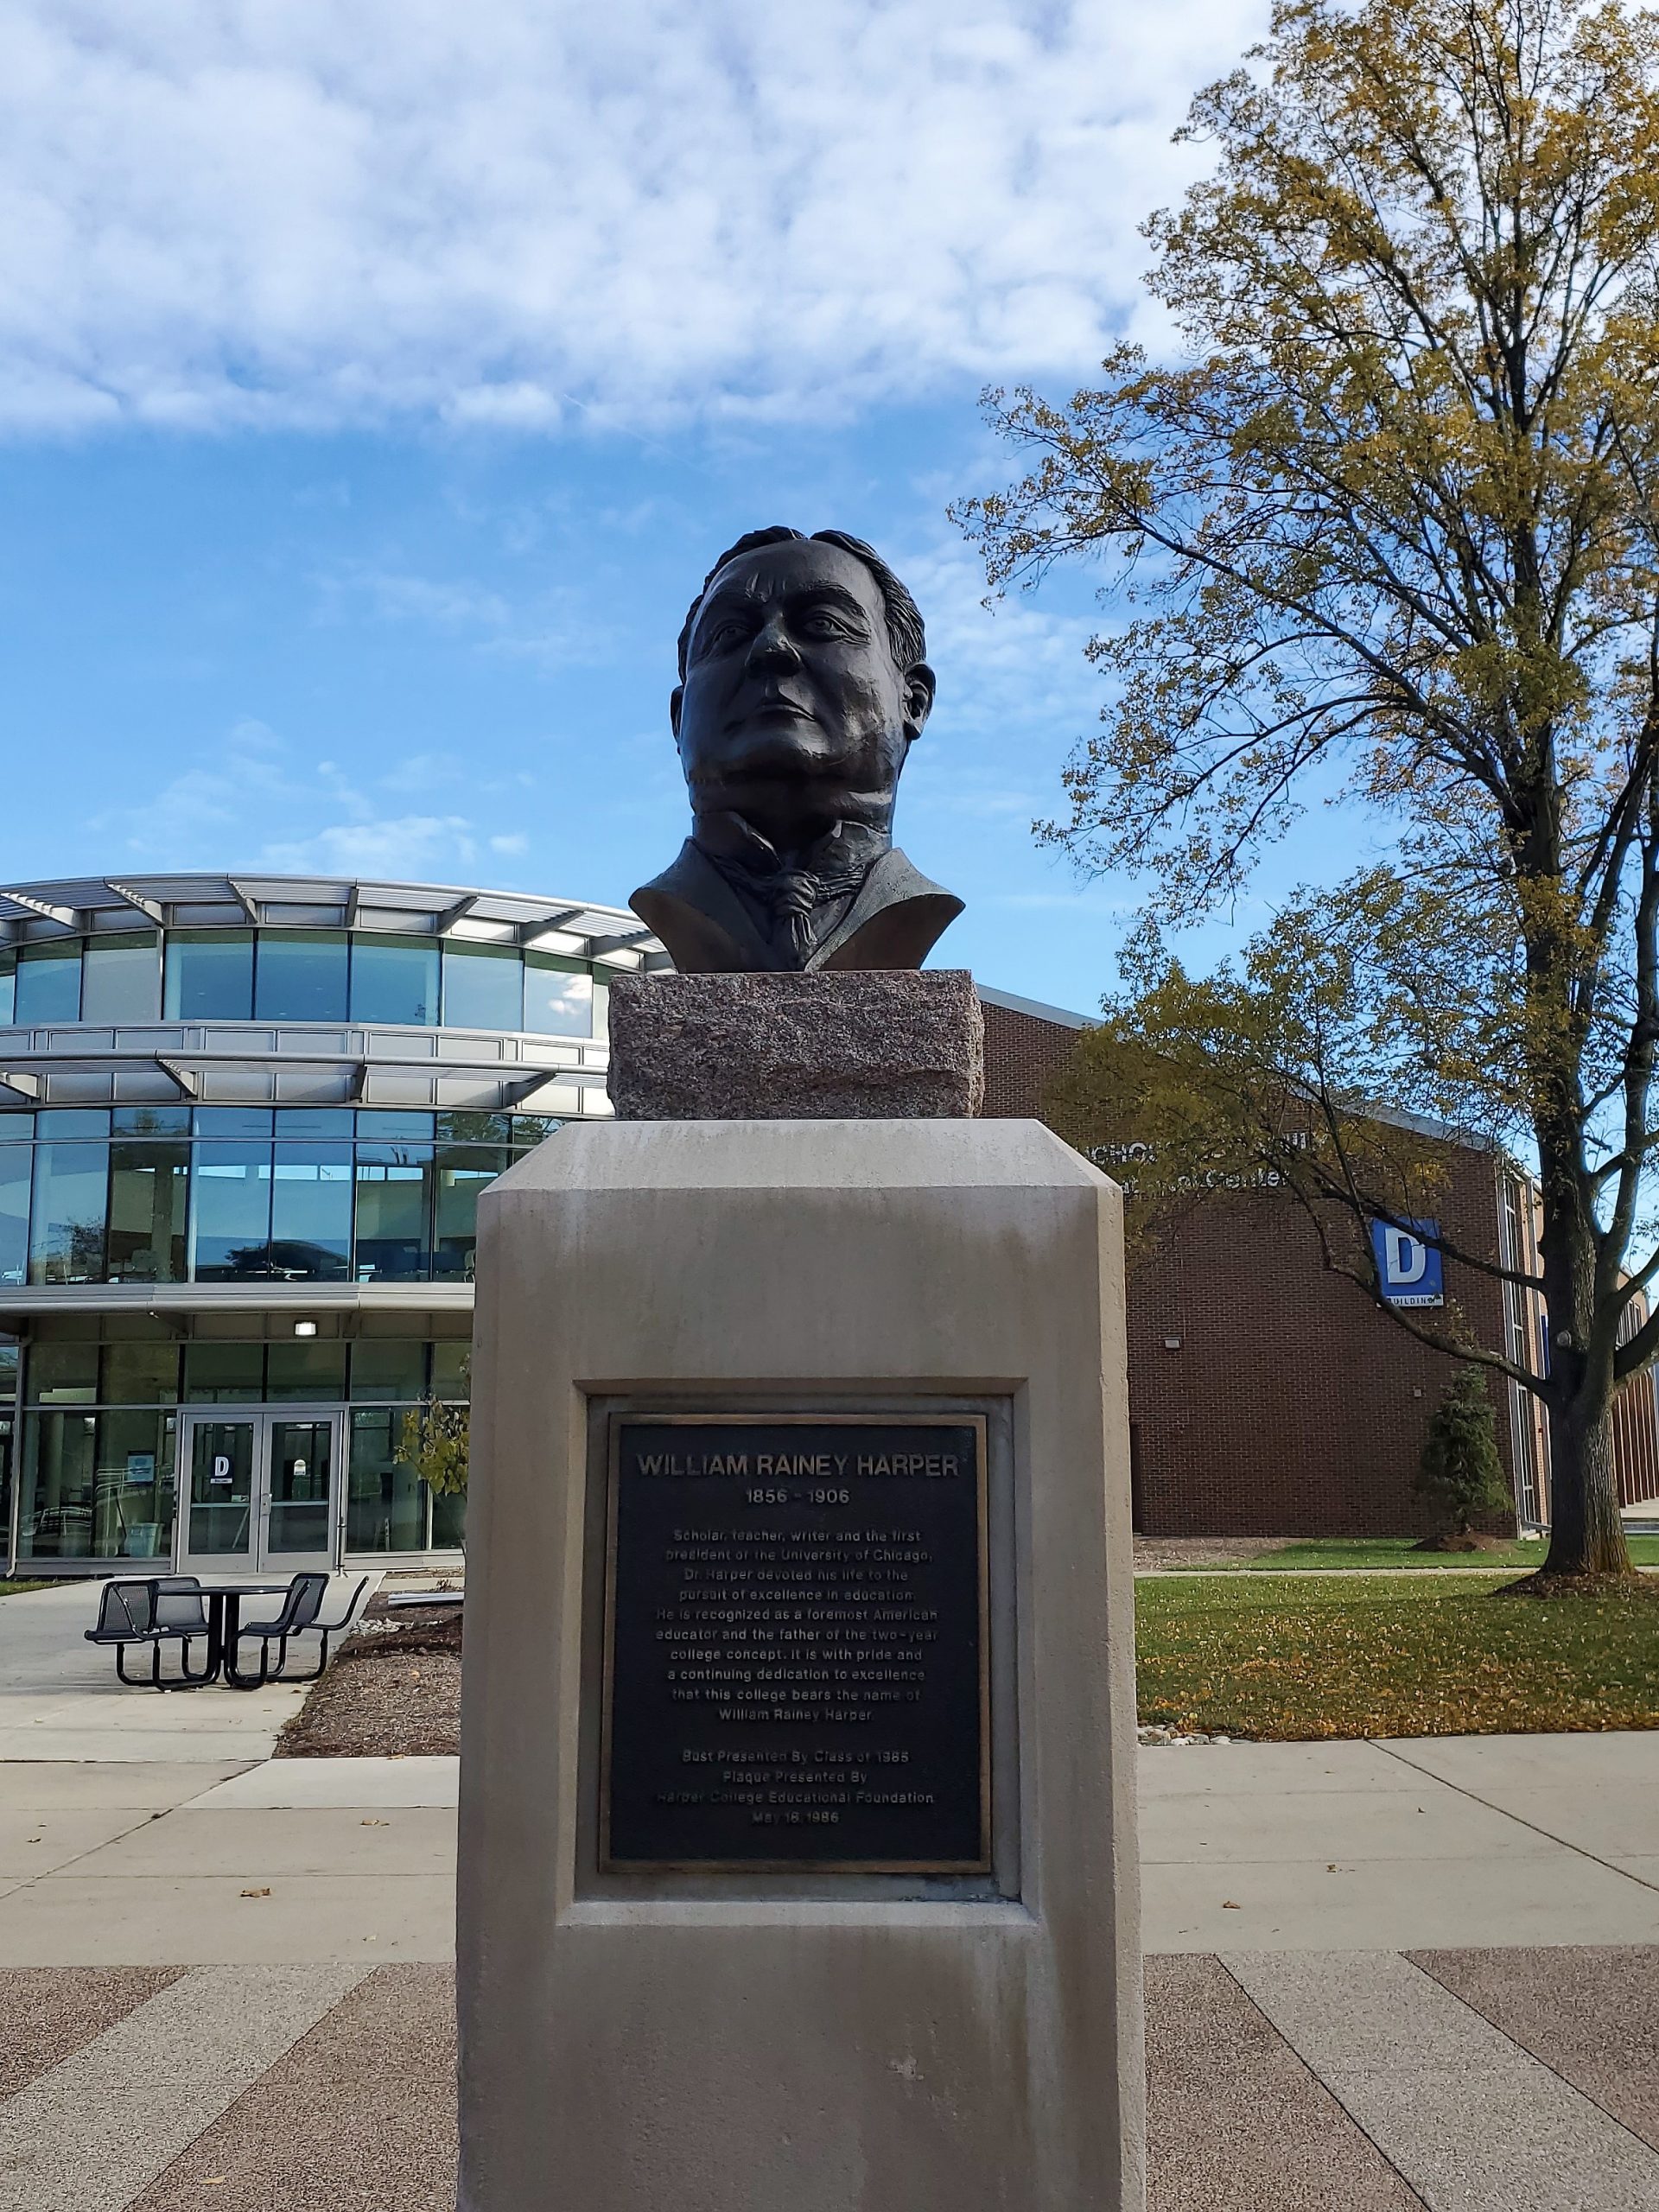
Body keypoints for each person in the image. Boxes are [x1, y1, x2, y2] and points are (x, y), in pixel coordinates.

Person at [630, 527, 963, 971]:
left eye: (823, 624)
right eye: (730, 632)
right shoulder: (674, 907)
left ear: (913, 701)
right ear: (678, 717)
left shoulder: (910, 911)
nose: (770, 648)